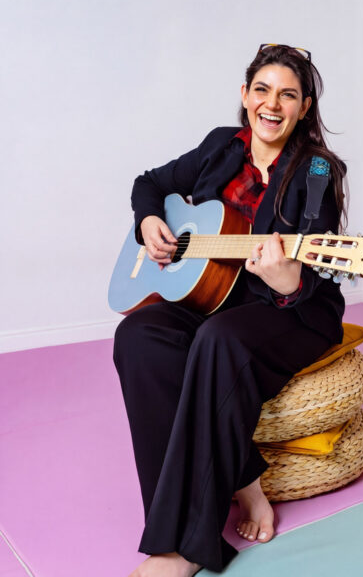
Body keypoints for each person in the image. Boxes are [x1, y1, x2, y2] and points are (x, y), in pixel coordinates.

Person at [113, 43, 347, 577]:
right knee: (139, 337)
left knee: (219, 340)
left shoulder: (316, 169)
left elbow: (311, 272)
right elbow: (150, 184)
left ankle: (183, 549)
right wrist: (149, 222)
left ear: (305, 107)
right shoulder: (221, 145)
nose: (272, 104)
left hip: (290, 307)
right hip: (215, 295)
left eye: (288, 95)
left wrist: (287, 278)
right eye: (262, 90)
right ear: (245, 95)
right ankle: (244, 480)